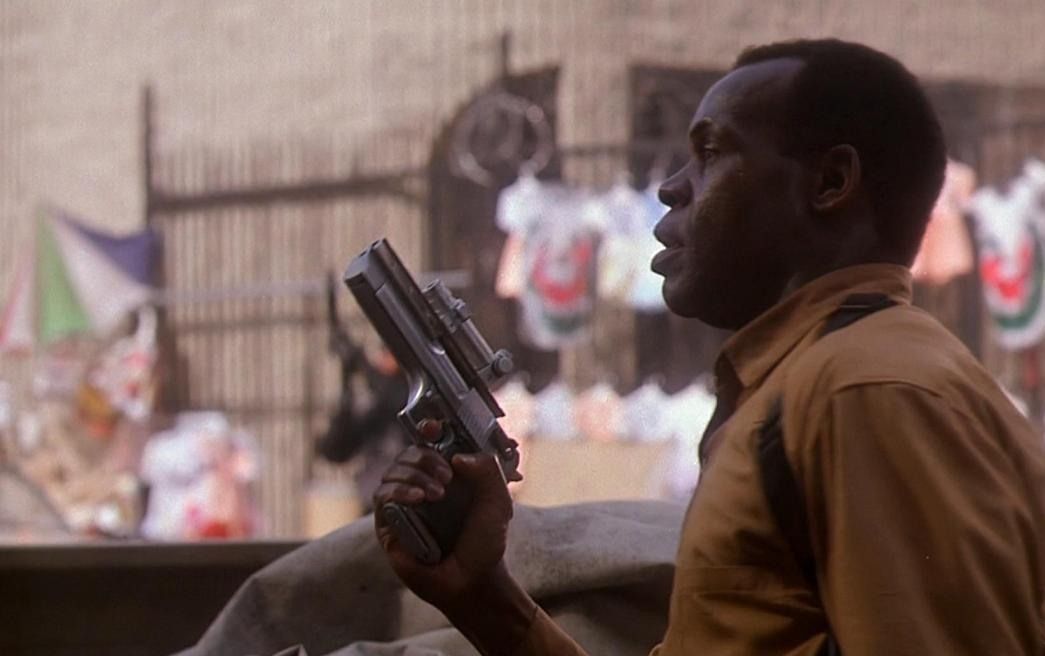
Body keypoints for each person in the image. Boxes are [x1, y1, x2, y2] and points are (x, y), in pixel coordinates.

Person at [373, 39, 1045, 655]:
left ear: (830, 183)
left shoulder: (862, 390)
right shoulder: (816, 380)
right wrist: (479, 593)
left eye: (712, 152)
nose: (671, 188)